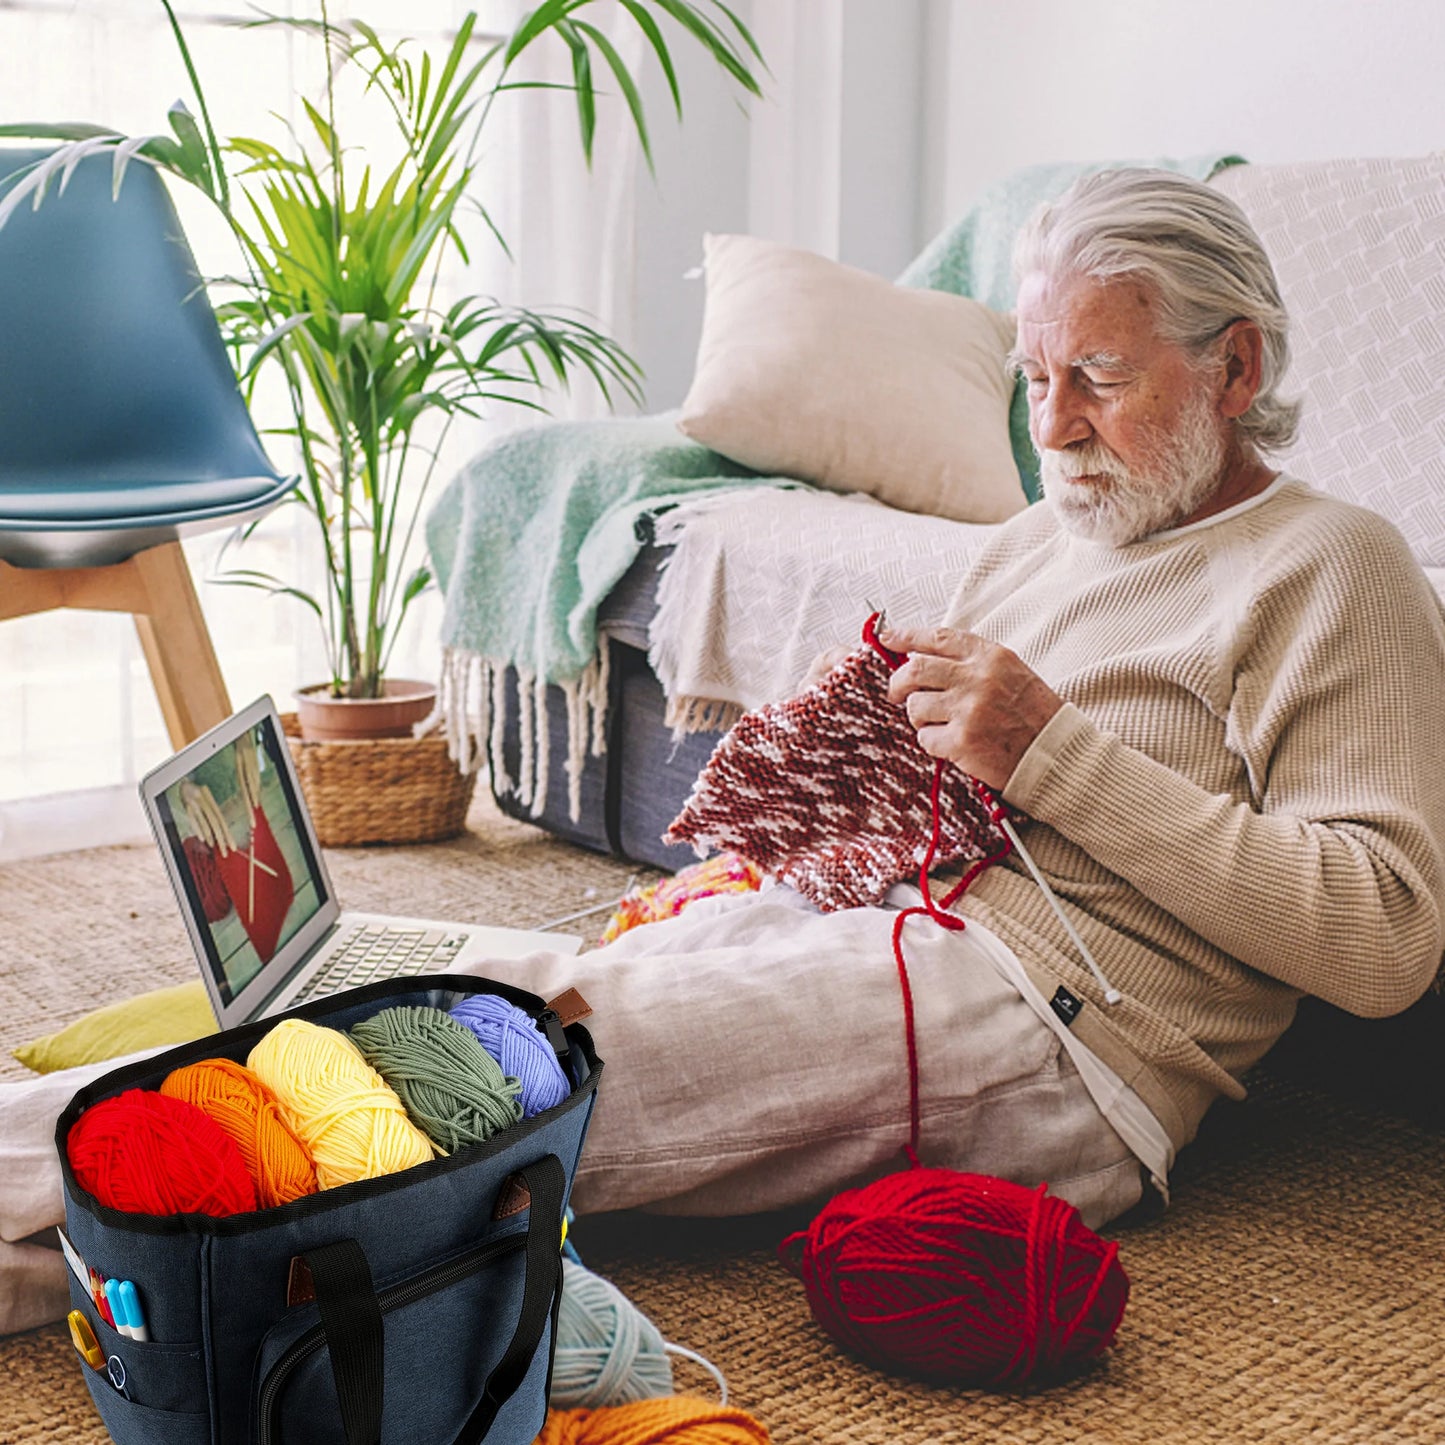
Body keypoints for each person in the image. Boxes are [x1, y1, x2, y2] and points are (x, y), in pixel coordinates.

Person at [511, 168, 1445, 1230]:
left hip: (1059, 1030)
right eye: (1034, 377)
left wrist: (1049, 751)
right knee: (548, 984)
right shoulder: (1031, 544)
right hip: (897, 920)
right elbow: (951, 791)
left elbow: (1383, 936)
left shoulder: (1332, 562)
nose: (1053, 427)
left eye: (1097, 375)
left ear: (1234, 368)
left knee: (561, 1058)